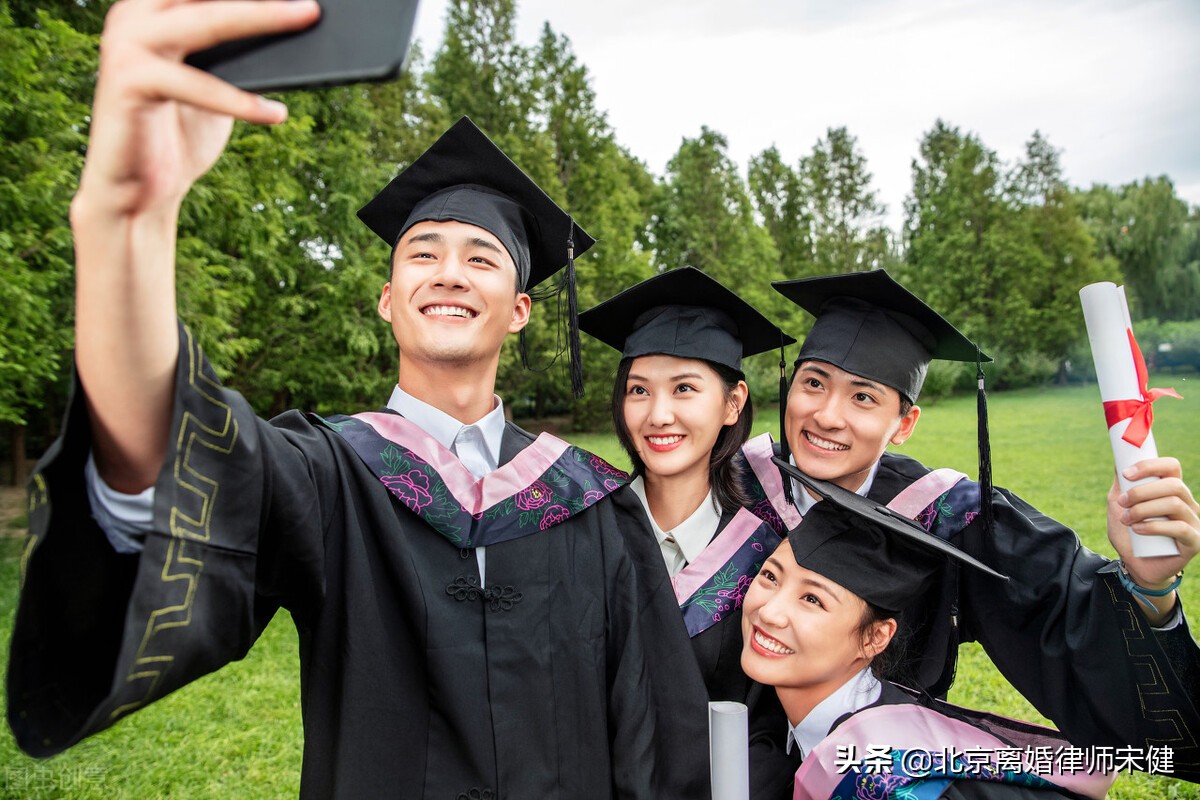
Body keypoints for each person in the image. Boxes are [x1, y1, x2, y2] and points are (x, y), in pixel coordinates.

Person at [6, 4, 706, 797]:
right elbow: (168, 455)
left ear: (518, 309)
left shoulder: (593, 500)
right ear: (387, 298)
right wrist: (126, 221)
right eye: (423, 253)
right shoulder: (328, 474)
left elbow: (655, 730)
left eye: (482, 257)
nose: (449, 272)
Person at [738, 268, 1200, 783]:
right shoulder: (734, 487)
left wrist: (1150, 585)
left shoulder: (949, 516)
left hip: (884, 779)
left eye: (864, 396)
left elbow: (1061, 615)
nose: (826, 415)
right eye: (814, 383)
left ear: (904, 424)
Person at [742, 463, 1118, 799]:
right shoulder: (836, 725)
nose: (770, 612)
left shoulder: (892, 779)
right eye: (770, 576)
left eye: (813, 600)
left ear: (875, 637)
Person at [580, 267, 797, 797]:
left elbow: (771, 729)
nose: (658, 414)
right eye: (638, 389)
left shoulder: (764, 560)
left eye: (684, 389)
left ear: (732, 403)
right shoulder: (577, 531)